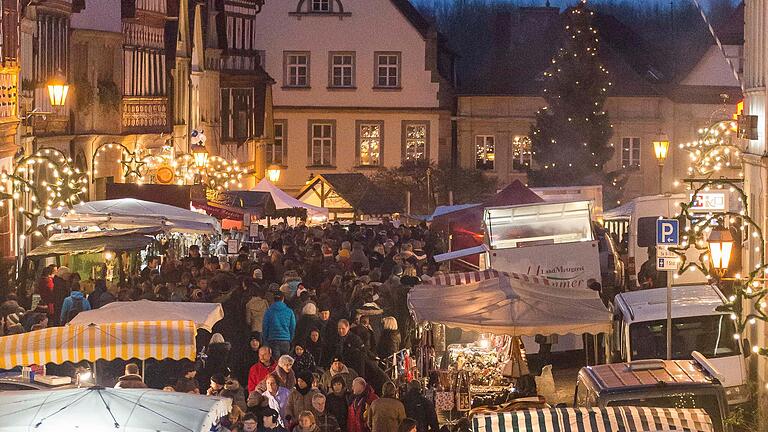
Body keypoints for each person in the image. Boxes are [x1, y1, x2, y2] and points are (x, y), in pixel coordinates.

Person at [262, 292, 296, 360]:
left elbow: (265, 326)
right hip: (285, 340)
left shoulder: (268, 312)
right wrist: (290, 338)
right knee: (285, 363)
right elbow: (293, 327)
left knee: (275, 363)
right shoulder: (289, 311)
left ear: (274, 299)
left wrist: (265, 339)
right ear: (283, 299)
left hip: (272, 339)